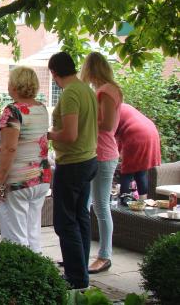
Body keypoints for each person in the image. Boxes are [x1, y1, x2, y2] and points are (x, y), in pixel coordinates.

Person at [47, 52, 98, 290]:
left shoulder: (70, 94)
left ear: (54, 73)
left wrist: (49, 134)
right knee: (80, 218)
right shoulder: (86, 89)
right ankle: (80, 271)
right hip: (89, 159)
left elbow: (69, 134)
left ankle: (75, 278)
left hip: (72, 163)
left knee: (64, 222)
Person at [0, 66, 51, 253]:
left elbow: (9, 147)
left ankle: (21, 278)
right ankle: (37, 275)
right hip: (40, 178)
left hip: (17, 181)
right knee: (32, 234)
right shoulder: (41, 108)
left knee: (15, 238)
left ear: (15, 86)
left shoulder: (13, 111)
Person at [80, 52, 123, 274]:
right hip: (98, 153)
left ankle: (104, 256)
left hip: (103, 154)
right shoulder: (107, 89)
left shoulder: (105, 91)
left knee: (101, 207)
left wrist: (83, 120)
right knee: (87, 205)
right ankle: (81, 254)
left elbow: (106, 124)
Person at [116, 103, 161, 197]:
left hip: (137, 133)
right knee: (141, 171)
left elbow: (112, 134)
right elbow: (119, 135)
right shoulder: (124, 106)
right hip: (151, 132)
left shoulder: (112, 109)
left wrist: (114, 154)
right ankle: (142, 202)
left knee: (127, 171)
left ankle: (124, 201)